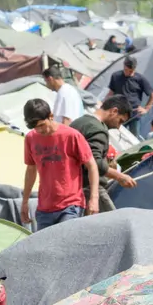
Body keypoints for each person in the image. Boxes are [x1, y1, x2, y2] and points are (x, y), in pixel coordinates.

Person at [21, 98, 99, 230]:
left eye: (41, 125)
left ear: (51, 116)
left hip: (70, 205)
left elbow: (92, 166)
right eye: (35, 127)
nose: (39, 130)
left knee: (65, 246)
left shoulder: (71, 135)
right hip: (44, 208)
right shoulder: (30, 138)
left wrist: (94, 198)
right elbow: (31, 169)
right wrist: (25, 202)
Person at [71, 95, 137, 212]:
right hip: (89, 188)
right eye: (120, 121)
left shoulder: (78, 122)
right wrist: (120, 176)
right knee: (112, 227)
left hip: (72, 187)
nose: (118, 127)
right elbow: (94, 162)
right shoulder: (97, 129)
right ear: (114, 111)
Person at [107, 57, 153, 135]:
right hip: (118, 114)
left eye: (131, 71)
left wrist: (146, 109)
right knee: (115, 135)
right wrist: (105, 106)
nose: (128, 73)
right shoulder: (116, 76)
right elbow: (111, 93)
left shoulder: (140, 79)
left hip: (134, 115)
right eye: (126, 70)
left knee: (133, 138)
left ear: (134, 68)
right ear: (123, 66)